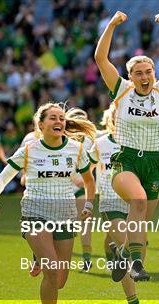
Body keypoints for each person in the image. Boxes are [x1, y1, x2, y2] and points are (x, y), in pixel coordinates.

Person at [0, 102, 96, 304]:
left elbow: (88, 181)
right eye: (53, 118)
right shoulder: (29, 149)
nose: (59, 122)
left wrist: (88, 204)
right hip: (35, 211)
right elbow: (3, 178)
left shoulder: (76, 149)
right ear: (41, 124)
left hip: (65, 213)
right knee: (53, 271)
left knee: (60, 280)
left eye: (62, 119)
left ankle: (39, 257)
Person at [95, 10, 159, 281]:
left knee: (140, 222)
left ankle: (123, 252)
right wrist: (111, 25)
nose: (144, 76)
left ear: (154, 73)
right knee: (137, 200)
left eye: (148, 71)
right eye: (138, 73)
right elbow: (100, 59)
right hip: (126, 160)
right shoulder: (121, 90)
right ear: (131, 76)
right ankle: (136, 264)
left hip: (152, 162)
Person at [88, 104, 144, 304]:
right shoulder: (100, 144)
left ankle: (118, 254)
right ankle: (133, 302)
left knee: (138, 248)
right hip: (110, 202)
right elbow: (87, 168)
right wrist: (80, 182)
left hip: (133, 202)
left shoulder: (138, 144)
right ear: (111, 120)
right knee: (125, 246)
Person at [65, 108, 96, 271]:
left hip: (80, 187)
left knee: (85, 220)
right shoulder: (62, 139)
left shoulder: (91, 139)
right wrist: (73, 177)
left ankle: (86, 257)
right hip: (62, 186)